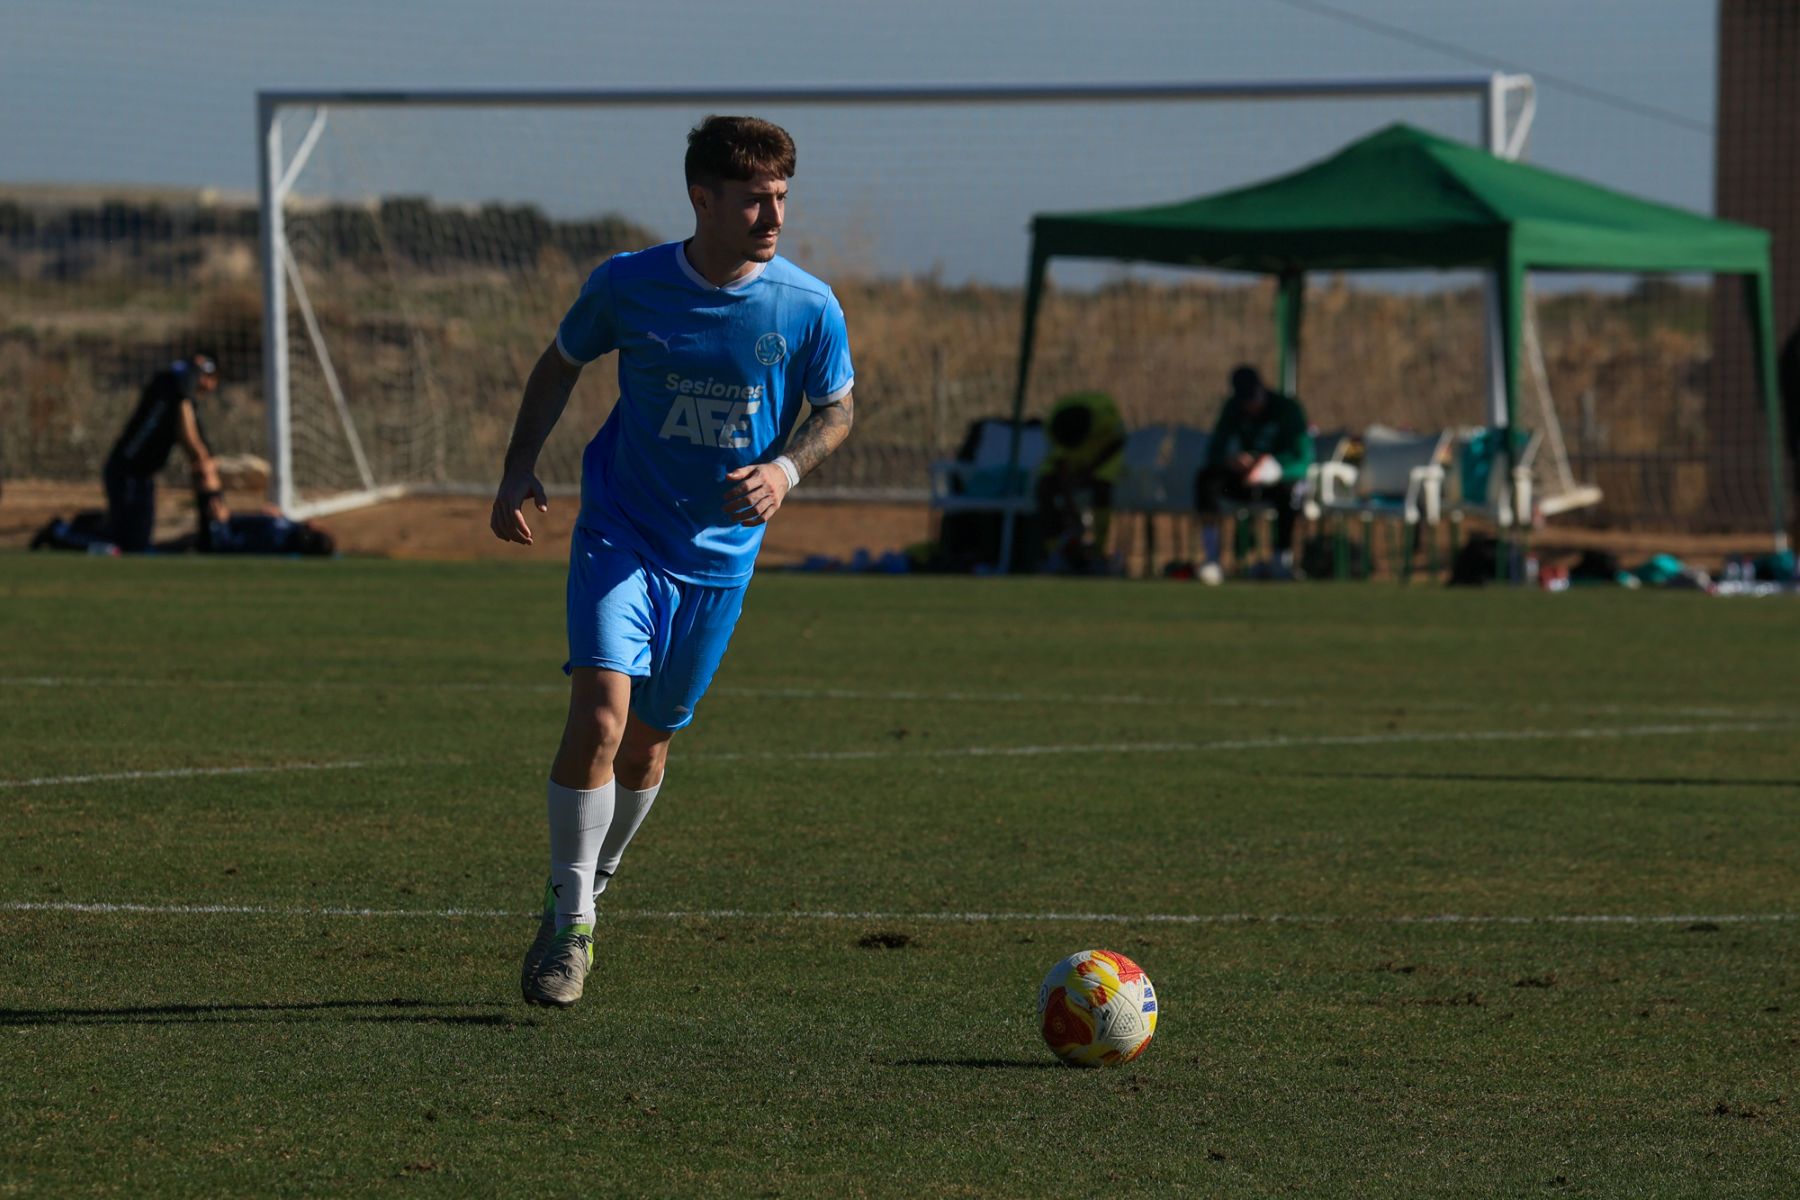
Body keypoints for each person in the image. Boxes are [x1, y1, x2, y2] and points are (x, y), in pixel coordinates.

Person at [489, 116, 855, 1008]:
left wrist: (785, 469)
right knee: (600, 716)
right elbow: (560, 363)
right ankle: (570, 920)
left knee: (648, 746)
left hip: (720, 562)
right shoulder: (629, 284)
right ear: (703, 199)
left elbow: (838, 410)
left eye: (782, 197)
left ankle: (596, 877)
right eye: (755, 199)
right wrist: (517, 466)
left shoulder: (807, 305)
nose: (774, 216)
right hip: (621, 533)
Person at [1193, 364, 1312, 581]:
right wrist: (1233, 461)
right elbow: (1215, 450)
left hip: (1277, 478)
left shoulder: (1287, 409)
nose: (1250, 406)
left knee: (1290, 492)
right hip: (1244, 480)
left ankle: (1281, 560)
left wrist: (1271, 467)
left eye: (1253, 399)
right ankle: (1211, 558)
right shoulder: (1233, 408)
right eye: (1245, 401)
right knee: (1207, 479)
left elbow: (1303, 458)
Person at [103, 354, 227, 552]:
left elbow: (198, 444)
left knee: (138, 544)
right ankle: (63, 532)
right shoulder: (172, 391)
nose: (208, 386)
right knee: (122, 543)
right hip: (126, 474)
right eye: (206, 378)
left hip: (143, 477)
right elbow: (193, 442)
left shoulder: (180, 397)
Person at [1035, 390, 1126, 573]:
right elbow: (1059, 462)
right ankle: (1054, 550)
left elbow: (1117, 444)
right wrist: (1070, 504)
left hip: (1102, 461)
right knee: (1044, 487)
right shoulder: (1055, 424)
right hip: (1072, 466)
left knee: (1102, 488)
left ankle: (1099, 551)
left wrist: (1089, 471)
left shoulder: (1106, 415)